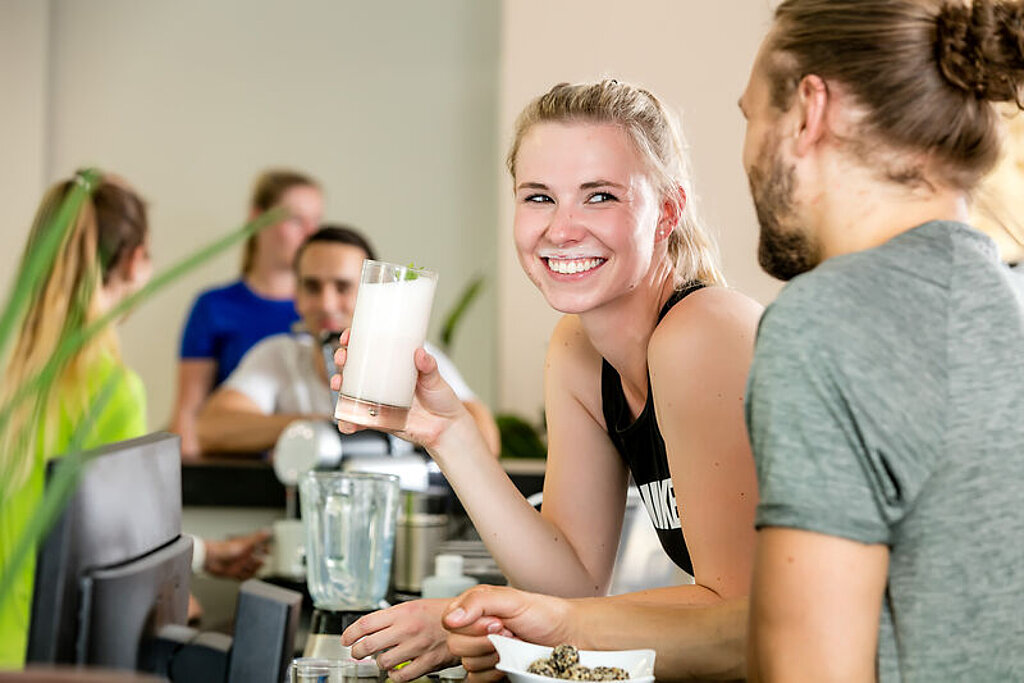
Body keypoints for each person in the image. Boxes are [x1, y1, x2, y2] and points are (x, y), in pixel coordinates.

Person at [335, 80, 764, 682]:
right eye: (539, 197)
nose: (562, 230)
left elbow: (745, 622)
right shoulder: (579, 349)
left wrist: (497, 622)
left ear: (667, 212)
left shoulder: (703, 332)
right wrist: (448, 433)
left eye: (600, 196)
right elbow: (572, 585)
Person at [738, 1, 1024, 680]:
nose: (746, 151)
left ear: (808, 113)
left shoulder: (827, 322)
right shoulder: (1002, 301)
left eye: (749, 116)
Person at [0, 172, 269, 669]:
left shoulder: (9, 371)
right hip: (50, 663)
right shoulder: (110, 388)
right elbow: (122, 553)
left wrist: (206, 554)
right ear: (134, 261)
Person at [196, 225, 500, 455]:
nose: (326, 304)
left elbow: (486, 439)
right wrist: (328, 427)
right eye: (312, 287)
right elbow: (210, 429)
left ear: (375, 295)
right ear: (297, 295)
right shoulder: (277, 355)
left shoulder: (416, 358)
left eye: (343, 287)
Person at [170, 169, 323, 457]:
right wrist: (187, 475)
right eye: (296, 220)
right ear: (258, 218)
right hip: (232, 462)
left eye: (316, 221)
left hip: (310, 458)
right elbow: (188, 411)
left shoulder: (323, 314)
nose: (310, 234)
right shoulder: (214, 307)